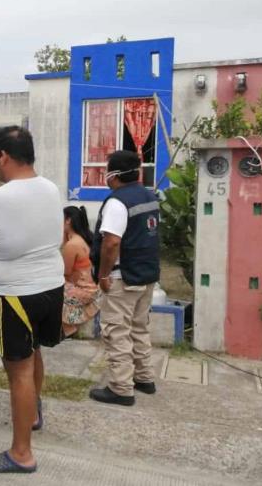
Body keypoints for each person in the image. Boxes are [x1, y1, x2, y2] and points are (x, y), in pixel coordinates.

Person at [0, 125, 64, 474]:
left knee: (17, 371)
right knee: (34, 352)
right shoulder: (50, 188)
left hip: (15, 294)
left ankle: (21, 454)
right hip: (50, 287)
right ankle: (32, 412)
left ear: (2, 155)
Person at [89, 150, 160, 406]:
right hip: (146, 274)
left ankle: (121, 388)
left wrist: (104, 274)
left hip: (122, 277)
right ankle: (144, 378)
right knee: (139, 327)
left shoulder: (118, 202)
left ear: (114, 174)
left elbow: (111, 243)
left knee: (117, 331)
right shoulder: (149, 196)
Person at [61, 206, 101, 337]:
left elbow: (65, 273)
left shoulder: (72, 245)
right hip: (92, 289)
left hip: (84, 291)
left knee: (49, 289)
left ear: (68, 221)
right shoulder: (81, 239)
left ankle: (67, 329)